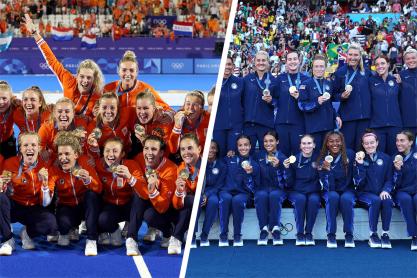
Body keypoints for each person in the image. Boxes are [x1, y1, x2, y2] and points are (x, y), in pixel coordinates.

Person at [24, 14, 104, 118]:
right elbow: (52, 60)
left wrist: (97, 117)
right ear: (77, 75)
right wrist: (35, 34)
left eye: (89, 77)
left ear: (94, 79)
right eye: (82, 76)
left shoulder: (98, 95)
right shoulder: (68, 80)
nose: (85, 80)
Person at [0, 132, 57, 254]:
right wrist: (3, 185)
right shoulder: (10, 163)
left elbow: (46, 203)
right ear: (20, 148)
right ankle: (8, 239)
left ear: (39, 148)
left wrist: (45, 183)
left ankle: (27, 233)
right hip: (14, 206)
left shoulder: (46, 167)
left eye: (33, 145)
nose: (29, 148)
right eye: (25, 145)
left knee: (51, 225)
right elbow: (4, 193)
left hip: (33, 208)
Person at [48, 132, 102, 255]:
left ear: (76, 154)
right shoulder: (54, 169)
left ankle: (92, 239)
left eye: (67, 154)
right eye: (60, 154)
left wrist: (88, 180)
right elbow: (48, 194)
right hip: (67, 206)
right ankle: (69, 229)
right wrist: (46, 187)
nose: (63, 158)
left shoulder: (85, 163)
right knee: (63, 226)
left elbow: (98, 188)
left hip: (86, 206)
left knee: (91, 195)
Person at [127, 135, 177, 256]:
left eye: (154, 149)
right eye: (146, 148)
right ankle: (131, 239)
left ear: (161, 153)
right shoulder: (138, 159)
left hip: (164, 208)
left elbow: (164, 206)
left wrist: (153, 190)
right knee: (137, 195)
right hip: (145, 199)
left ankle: (168, 232)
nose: (149, 153)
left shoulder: (171, 169)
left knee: (149, 216)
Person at [95, 138, 142, 249]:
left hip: (129, 207)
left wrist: (130, 178)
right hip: (111, 206)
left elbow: (144, 192)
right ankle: (115, 230)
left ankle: (132, 237)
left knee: (139, 196)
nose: (110, 154)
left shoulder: (132, 165)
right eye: (107, 151)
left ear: (122, 154)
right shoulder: (98, 165)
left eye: (115, 151)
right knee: (103, 220)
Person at [103, 50, 173, 119]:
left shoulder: (146, 89)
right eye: (124, 70)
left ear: (136, 72)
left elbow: (167, 109)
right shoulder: (108, 89)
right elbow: (97, 107)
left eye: (131, 70)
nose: (127, 74)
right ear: (118, 71)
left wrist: (164, 113)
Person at [353, 131, 394, 248]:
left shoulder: (385, 158)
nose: (369, 145)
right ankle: (373, 234)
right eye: (366, 143)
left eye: (372, 142)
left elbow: (390, 178)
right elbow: (358, 183)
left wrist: (386, 190)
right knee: (375, 200)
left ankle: (385, 234)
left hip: (381, 192)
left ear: (377, 143)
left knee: (387, 200)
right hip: (364, 194)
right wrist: (360, 165)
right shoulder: (359, 159)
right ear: (363, 145)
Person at [219, 135, 260, 247]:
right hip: (226, 191)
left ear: (250, 146)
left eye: (246, 145)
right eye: (240, 145)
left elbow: (254, 187)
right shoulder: (229, 159)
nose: (243, 148)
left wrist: (249, 174)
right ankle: (223, 235)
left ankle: (237, 235)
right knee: (225, 199)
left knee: (237, 201)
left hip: (243, 193)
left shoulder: (254, 164)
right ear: (237, 147)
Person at [317, 131, 356, 248]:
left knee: (346, 198)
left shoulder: (350, 154)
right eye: (331, 141)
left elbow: (356, 178)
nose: (335, 144)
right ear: (327, 143)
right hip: (330, 191)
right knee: (333, 196)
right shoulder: (322, 158)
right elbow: (328, 187)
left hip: (347, 190)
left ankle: (349, 234)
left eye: (337, 141)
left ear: (342, 142)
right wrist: (327, 171)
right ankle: (331, 234)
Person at [298, 54, 341, 153]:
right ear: (312, 68)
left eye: (321, 66)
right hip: (313, 128)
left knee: (328, 156)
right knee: (315, 158)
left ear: (325, 68)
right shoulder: (305, 84)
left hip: (328, 128)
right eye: (316, 66)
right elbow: (302, 106)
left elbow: (330, 104)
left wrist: (336, 116)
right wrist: (317, 102)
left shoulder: (329, 84)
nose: (319, 69)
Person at [333, 43, 372, 150]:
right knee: (348, 149)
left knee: (362, 149)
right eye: (350, 55)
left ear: (360, 56)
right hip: (348, 118)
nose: (353, 58)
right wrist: (341, 96)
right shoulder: (340, 72)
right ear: (347, 55)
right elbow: (333, 95)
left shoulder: (367, 72)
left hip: (364, 118)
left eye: (356, 55)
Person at [254, 131, 288, 245]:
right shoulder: (258, 156)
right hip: (262, 188)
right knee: (260, 195)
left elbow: (285, 182)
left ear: (277, 141)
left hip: (278, 189)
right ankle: (263, 228)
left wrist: (278, 167)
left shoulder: (283, 157)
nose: (268, 143)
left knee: (274, 195)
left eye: (271, 141)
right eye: (265, 141)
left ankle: (275, 228)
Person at [286, 134, 321, 246]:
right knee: (300, 199)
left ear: (314, 145)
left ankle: (309, 232)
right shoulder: (294, 159)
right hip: (297, 191)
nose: (307, 146)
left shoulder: (319, 158)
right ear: (300, 146)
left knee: (314, 200)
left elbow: (324, 179)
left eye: (309, 143)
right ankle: (300, 233)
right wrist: (286, 169)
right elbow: (289, 182)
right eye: (304, 143)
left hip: (313, 191)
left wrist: (324, 171)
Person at [273, 51, 309, 156]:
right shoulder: (279, 79)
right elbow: (275, 99)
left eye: (295, 59)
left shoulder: (306, 79)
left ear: (299, 61)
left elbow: (309, 101)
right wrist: (270, 100)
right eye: (289, 59)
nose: (292, 61)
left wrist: (300, 97)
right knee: (282, 156)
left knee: (298, 155)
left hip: (299, 124)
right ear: (286, 62)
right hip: (281, 124)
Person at [171, 134, 202, 254]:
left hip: (207, 200)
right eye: (183, 149)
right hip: (191, 203)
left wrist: (206, 195)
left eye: (190, 148)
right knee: (189, 202)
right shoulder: (181, 169)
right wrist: (179, 190)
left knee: (192, 200)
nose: (186, 152)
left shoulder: (206, 164)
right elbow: (178, 204)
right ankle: (179, 236)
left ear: (199, 149)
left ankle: (177, 237)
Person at [242, 50, 276, 152]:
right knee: (247, 156)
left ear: (268, 63)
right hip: (248, 125)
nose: (261, 63)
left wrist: (271, 100)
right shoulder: (246, 79)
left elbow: (278, 102)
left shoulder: (274, 80)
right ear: (254, 62)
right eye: (258, 60)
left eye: (263, 60)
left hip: (265, 126)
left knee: (266, 156)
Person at [369, 55, 402, 155]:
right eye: (377, 64)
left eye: (382, 63)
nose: (380, 66)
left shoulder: (396, 80)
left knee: (395, 156)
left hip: (395, 124)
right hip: (377, 126)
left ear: (388, 64)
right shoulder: (370, 81)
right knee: (379, 157)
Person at [195, 140, 226, 247]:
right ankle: (193, 236)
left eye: (213, 147)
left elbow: (219, 185)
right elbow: (194, 180)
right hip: (199, 192)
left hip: (213, 192)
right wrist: (201, 194)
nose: (210, 150)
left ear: (216, 150)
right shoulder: (198, 163)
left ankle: (204, 234)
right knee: (196, 200)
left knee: (214, 201)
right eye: (208, 147)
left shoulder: (221, 165)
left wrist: (206, 195)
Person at [213, 56, 244, 157]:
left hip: (236, 126)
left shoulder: (240, 82)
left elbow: (244, 103)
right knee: (219, 155)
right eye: (224, 64)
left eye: (229, 64)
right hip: (218, 126)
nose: (227, 67)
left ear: (233, 66)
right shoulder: (215, 83)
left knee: (233, 155)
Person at [392, 131, 417, 251]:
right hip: (402, 191)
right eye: (397, 140)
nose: (398, 143)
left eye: (402, 140)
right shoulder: (394, 157)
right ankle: (414, 236)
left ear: (411, 142)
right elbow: (395, 183)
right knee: (406, 200)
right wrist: (398, 170)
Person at [128, 91, 174, 158]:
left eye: (146, 108)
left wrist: (145, 140)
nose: (142, 112)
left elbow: (166, 153)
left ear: (154, 109)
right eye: (139, 108)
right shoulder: (132, 116)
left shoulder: (164, 121)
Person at [168, 91, 210, 157]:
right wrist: (177, 127)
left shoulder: (209, 119)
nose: (190, 108)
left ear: (201, 108)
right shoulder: (176, 118)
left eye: (195, 105)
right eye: (188, 104)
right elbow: (173, 150)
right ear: (184, 106)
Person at [399, 48, 417, 139]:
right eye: (408, 59)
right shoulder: (401, 75)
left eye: (413, 58)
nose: (411, 61)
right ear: (404, 61)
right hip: (408, 120)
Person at [0, 81, 17, 159]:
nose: (1, 102)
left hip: (8, 141)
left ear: (10, 99)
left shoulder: (14, 107)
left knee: (10, 167)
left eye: (4, 98)